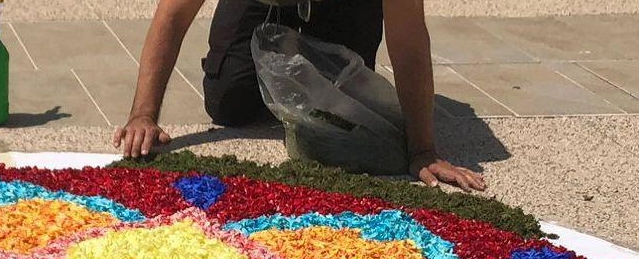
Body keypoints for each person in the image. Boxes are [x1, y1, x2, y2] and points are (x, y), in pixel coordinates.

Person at [113, 0, 488, 192]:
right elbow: (172, 16)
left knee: (343, 111)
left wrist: (422, 147)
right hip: (260, 8)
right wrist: (143, 114)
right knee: (229, 101)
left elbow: (407, 39)